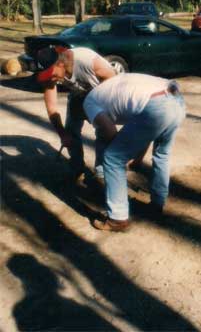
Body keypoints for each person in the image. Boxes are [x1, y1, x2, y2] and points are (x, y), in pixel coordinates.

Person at [83, 73, 186, 232]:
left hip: (156, 105)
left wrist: (118, 163)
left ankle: (117, 219)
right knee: (162, 154)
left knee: (112, 158)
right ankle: (157, 204)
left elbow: (109, 132)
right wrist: (135, 156)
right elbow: (142, 131)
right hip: (176, 99)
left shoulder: (89, 102)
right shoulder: (108, 90)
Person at [36, 46, 116, 183]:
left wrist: (100, 108)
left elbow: (113, 79)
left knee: (104, 132)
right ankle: (77, 166)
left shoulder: (88, 61)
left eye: (53, 74)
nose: (52, 79)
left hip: (102, 94)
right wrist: (62, 134)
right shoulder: (52, 72)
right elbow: (51, 107)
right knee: (71, 130)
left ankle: (101, 172)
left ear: (60, 63)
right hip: (78, 95)